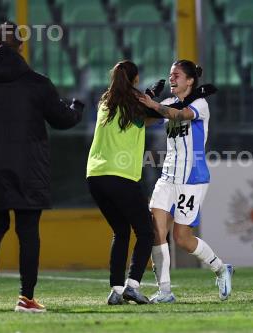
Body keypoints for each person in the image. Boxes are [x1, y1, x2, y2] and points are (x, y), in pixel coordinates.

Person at [0, 22, 83, 313]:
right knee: (28, 231)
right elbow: (62, 119)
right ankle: (26, 298)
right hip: (29, 169)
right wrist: (77, 108)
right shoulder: (37, 83)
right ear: (21, 47)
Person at [139, 60, 234, 303]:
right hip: (168, 177)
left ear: (190, 80)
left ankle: (221, 269)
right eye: (170, 75)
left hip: (192, 178)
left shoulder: (200, 104)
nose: (171, 79)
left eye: (177, 75)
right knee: (155, 231)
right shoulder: (168, 102)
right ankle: (165, 291)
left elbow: (181, 115)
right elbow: (148, 120)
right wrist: (147, 102)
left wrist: (155, 106)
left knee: (182, 238)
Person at [86, 60, 157, 305]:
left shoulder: (105, 102)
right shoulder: (135, 103)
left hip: (95, 176)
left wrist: (145, 97)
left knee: (121, 231)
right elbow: (157, 116)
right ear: (135, 79)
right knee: (146, 232)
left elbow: (137, 118)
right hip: (121, 175)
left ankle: (116, 290)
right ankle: (133, 286)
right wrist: (151, 98)